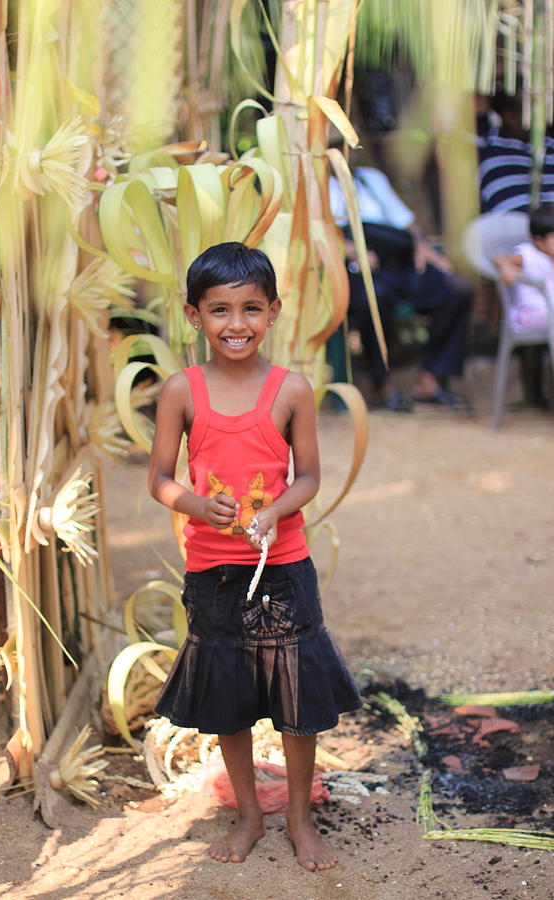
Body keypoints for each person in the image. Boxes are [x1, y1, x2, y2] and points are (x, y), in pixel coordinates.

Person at [147, 242, 361, 871]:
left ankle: (298, 816)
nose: (235, 324)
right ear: (194, 316)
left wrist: (275, 511)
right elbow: (159, 476)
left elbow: (310, 477)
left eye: (250, 309)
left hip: (283, 566)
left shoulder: (291, 389)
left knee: (295, 697)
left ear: (273, 312)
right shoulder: (181, 391)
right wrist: (190, 503)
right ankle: (248, 814)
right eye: (219, 310)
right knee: (228, 696)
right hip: (212, 572)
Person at [329, 167, 473, 411]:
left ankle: (430, 379)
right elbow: (315, 233)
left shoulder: (371, 177)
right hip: (358, 267)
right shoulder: (313, 181)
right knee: (373, 298)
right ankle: (381, 386)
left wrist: (421, 245)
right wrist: (351, 250)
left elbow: (406, 221)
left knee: (456, 289)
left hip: (400, 261)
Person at [492, 205, 554, 331]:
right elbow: (498, 258)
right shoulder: (528, 254)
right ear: (539, 241)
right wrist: (506, 268)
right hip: (530, 314)